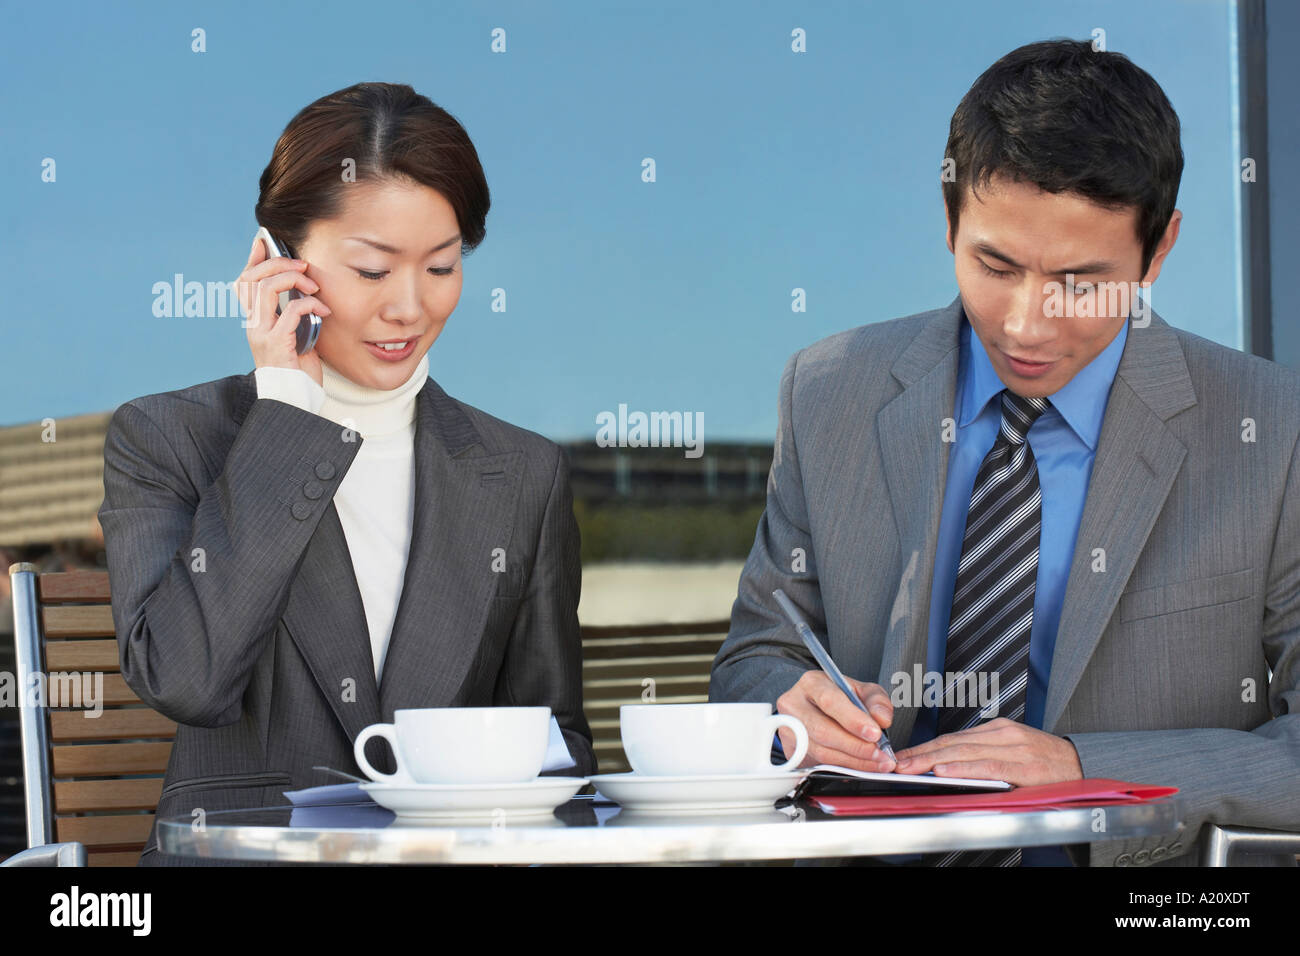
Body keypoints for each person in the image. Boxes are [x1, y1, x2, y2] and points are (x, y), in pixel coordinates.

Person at [710, 39, 1300, 867]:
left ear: (1158, 251)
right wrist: (787, 712)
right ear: (947, 218)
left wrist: (1085, 772)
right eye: (995, 265)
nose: (1027, 325)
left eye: (1081, 282)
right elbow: (755, 658)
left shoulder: (1274, 433)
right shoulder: (829, 392)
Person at [98, 82, 595, 866]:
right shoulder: (168, 438)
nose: (409, 308)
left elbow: (553, 742)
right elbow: (188, 679)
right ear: (279, 259)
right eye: (370, 270)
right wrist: (288, 412)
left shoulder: (522, 473)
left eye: (441, 266)